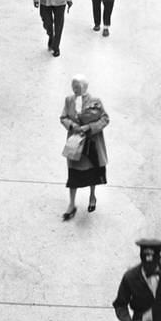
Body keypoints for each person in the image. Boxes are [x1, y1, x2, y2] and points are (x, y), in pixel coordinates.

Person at [59, 74, 109, 220]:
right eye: (73, 86)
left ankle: (92, 196)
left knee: (92, 173)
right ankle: (71, 204)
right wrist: (72, 125)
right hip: (75, 144)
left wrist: (89, 127)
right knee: (73, 174)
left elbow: (105, 119)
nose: (74, 89)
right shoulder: (69, 100)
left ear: (85, 87)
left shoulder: (95, 102)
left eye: (77, 86)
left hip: (91, 143)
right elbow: (63, 117)